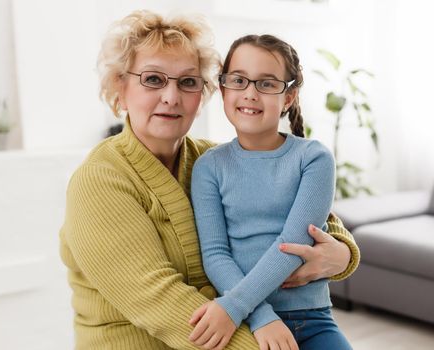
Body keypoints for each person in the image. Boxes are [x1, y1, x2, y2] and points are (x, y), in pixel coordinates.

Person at [59, 10, 360, 350]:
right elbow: (165, 306)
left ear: (203, 94)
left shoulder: (209, 159)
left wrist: (342, 255)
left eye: (187, 82)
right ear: (120, 86)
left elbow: (310, 217)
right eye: (153, 79)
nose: (171, 97)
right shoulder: (99, 181)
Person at [189, 34, 352, 350]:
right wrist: (259, 315)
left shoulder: (314, 159)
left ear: (288, 97)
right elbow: (215, 254)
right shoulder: (208, 167)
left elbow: (293, 242)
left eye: (266, 84)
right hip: (243, 320)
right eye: (239, 80)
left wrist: (235, 305)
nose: (250, 93)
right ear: (223, 88)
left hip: (311, 320)